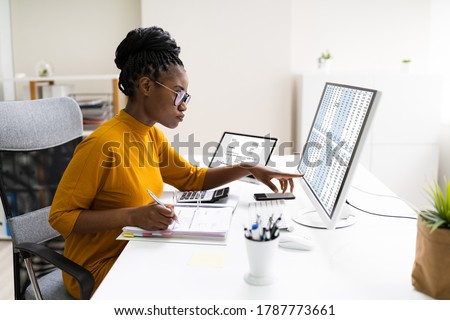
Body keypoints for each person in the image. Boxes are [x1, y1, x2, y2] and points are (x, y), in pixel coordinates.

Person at [49, 26, 303, 299]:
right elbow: (61, 218)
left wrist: (249, 168)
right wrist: (133, 216)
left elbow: (193, 179)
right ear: (146, 86)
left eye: (186, 97)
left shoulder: (151, 135)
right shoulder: (100, 145)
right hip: (100, 270)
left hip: (137, 251)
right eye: (178, 94)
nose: (184, 106)